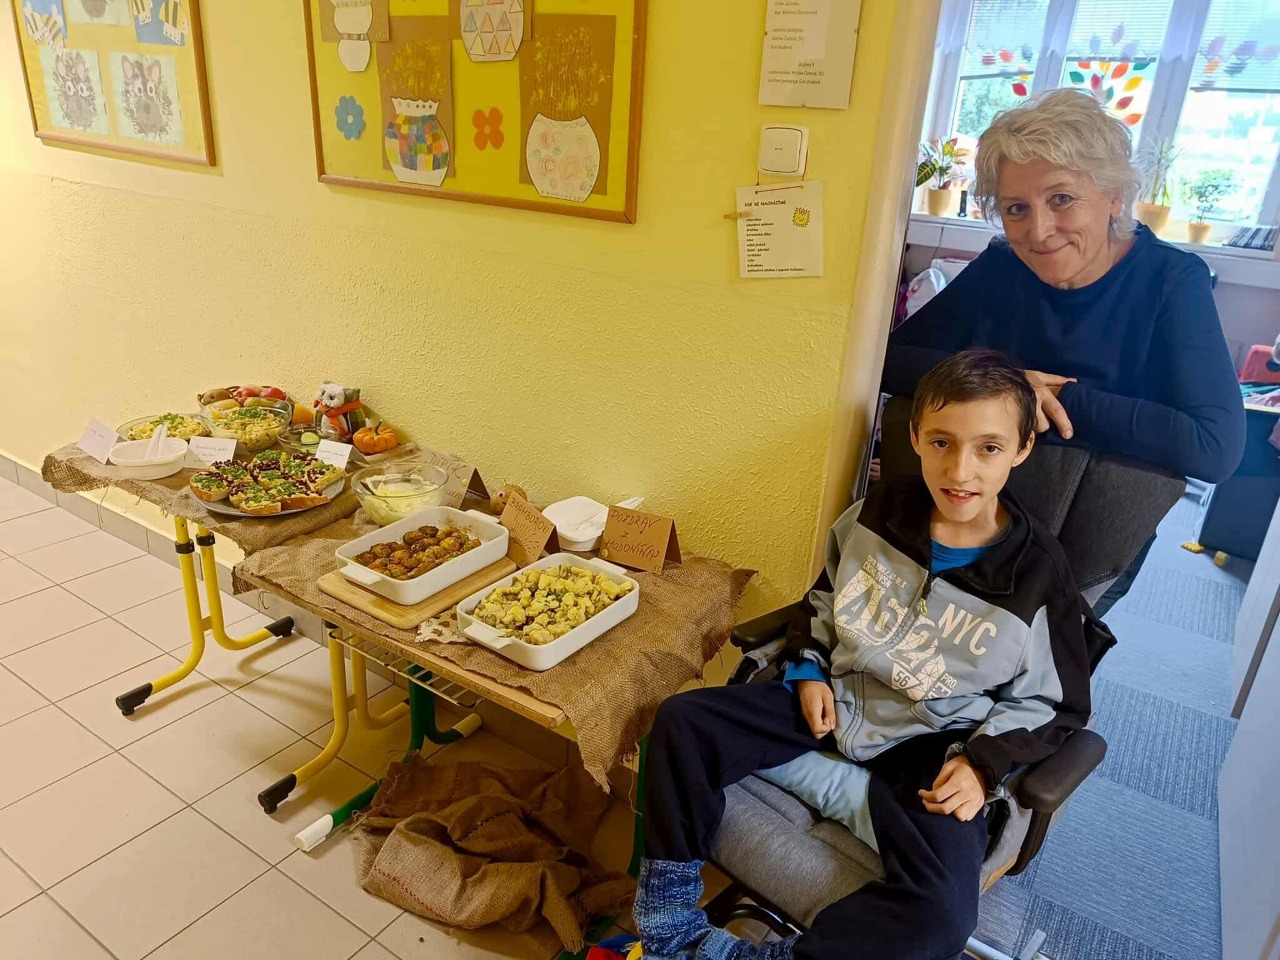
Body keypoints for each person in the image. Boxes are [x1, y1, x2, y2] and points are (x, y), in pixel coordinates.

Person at [633, 350, 1107, 960]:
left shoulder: (1041, 578)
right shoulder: (877, 513)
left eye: (988, 448)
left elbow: (1055, 705)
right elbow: (824, 598)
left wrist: (982, 764)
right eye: (942, 442)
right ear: (914, 438)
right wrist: (807, 668)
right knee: (682, 720)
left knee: (942, 918)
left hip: (934, 747)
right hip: (838, 700)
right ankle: (668, 928)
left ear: (1021, 449)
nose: (960, 470)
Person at [883, 90, 1245, 615]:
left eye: (1061, 199)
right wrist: (1011, 384)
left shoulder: (1170, 280)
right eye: (1016, 208)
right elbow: (888, 361)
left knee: (1046, 656)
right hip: (976, 504)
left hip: (1092, 531)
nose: (1039, 231)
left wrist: (1053, 400)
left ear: (1114, 196)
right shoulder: (1001, 267)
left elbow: (1214, 448)